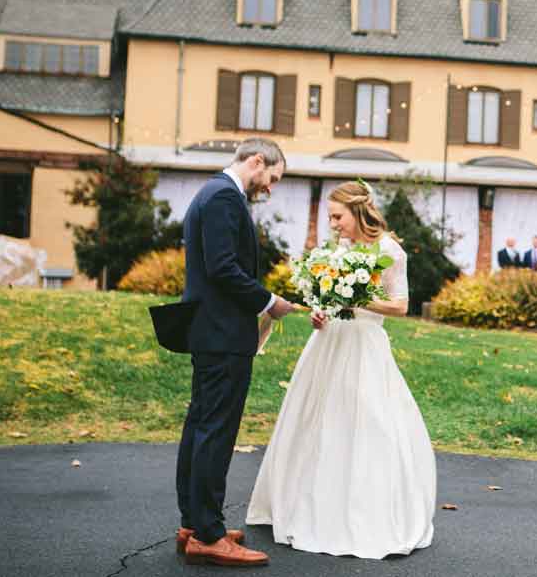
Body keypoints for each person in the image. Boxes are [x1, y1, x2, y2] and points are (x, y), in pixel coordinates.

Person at [246, 180, 436, 559]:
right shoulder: (340, 249)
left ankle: (364, 511)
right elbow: (331, 297)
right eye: (330, 217)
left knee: (366, 423)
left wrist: (358, 298)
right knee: (315, 420)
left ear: (358, 212)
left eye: (337, 216)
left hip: (364, 344)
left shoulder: (389, 250)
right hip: (329, 342)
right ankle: (306, 503)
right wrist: (324, 308)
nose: (333, 224)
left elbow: (400, 306)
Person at [176, 138, 297, 567]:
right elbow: (223, 268)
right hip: (224, 334)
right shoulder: (225, 197)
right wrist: (270, 302)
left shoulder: (210, 192)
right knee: (215, 432)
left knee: (201, 425)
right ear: (256, 161)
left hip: (209, 331)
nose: (271, 188)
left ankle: (194, 523)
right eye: (273, 178)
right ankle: (208, 535)